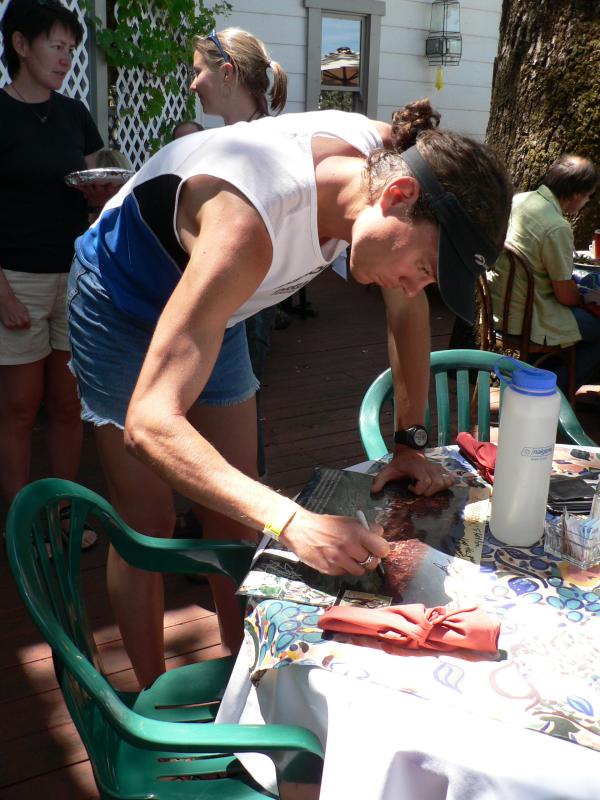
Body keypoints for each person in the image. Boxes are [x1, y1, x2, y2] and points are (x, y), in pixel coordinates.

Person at [67, 97, 512, 687]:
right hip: (121, 298)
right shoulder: (248, 225)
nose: (415, 286)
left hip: (218, 303)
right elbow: (151, 426)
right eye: (426, 267)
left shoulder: (393, 164)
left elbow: (406, 319)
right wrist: (295, 521)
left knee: (235, 514)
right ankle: (151, 703)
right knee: (148, 519)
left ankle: (240, 675)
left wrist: (409, 442)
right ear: (398, 197)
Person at [0, 0, 110, 546]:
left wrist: (100, 196)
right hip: (15, 277)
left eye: (72, 49)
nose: (67, 58)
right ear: (21, 45)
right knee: (19, 408)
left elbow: (96, 186)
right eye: (56, 45)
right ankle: (20, 522)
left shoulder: (73, 114)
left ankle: (66, 512)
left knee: (68, 403)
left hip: (73, 276)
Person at [190, 27, 288, 479]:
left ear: (227, 73)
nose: (193, 84)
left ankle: (243, 509)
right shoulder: (233, 139)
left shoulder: (259, 144)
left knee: (235, 404)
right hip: (233, 295)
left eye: (198, 72)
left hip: (247, 299)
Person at [488, 154, 600, 390]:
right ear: (578, 195)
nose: (587, 202)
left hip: (499, 310)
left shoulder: (517, 201)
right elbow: (565, 296)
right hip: (531, 319)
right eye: (589, 197)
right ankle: (547, 390)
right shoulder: (556, 226)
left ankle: (539, 378)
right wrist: (585, 297)